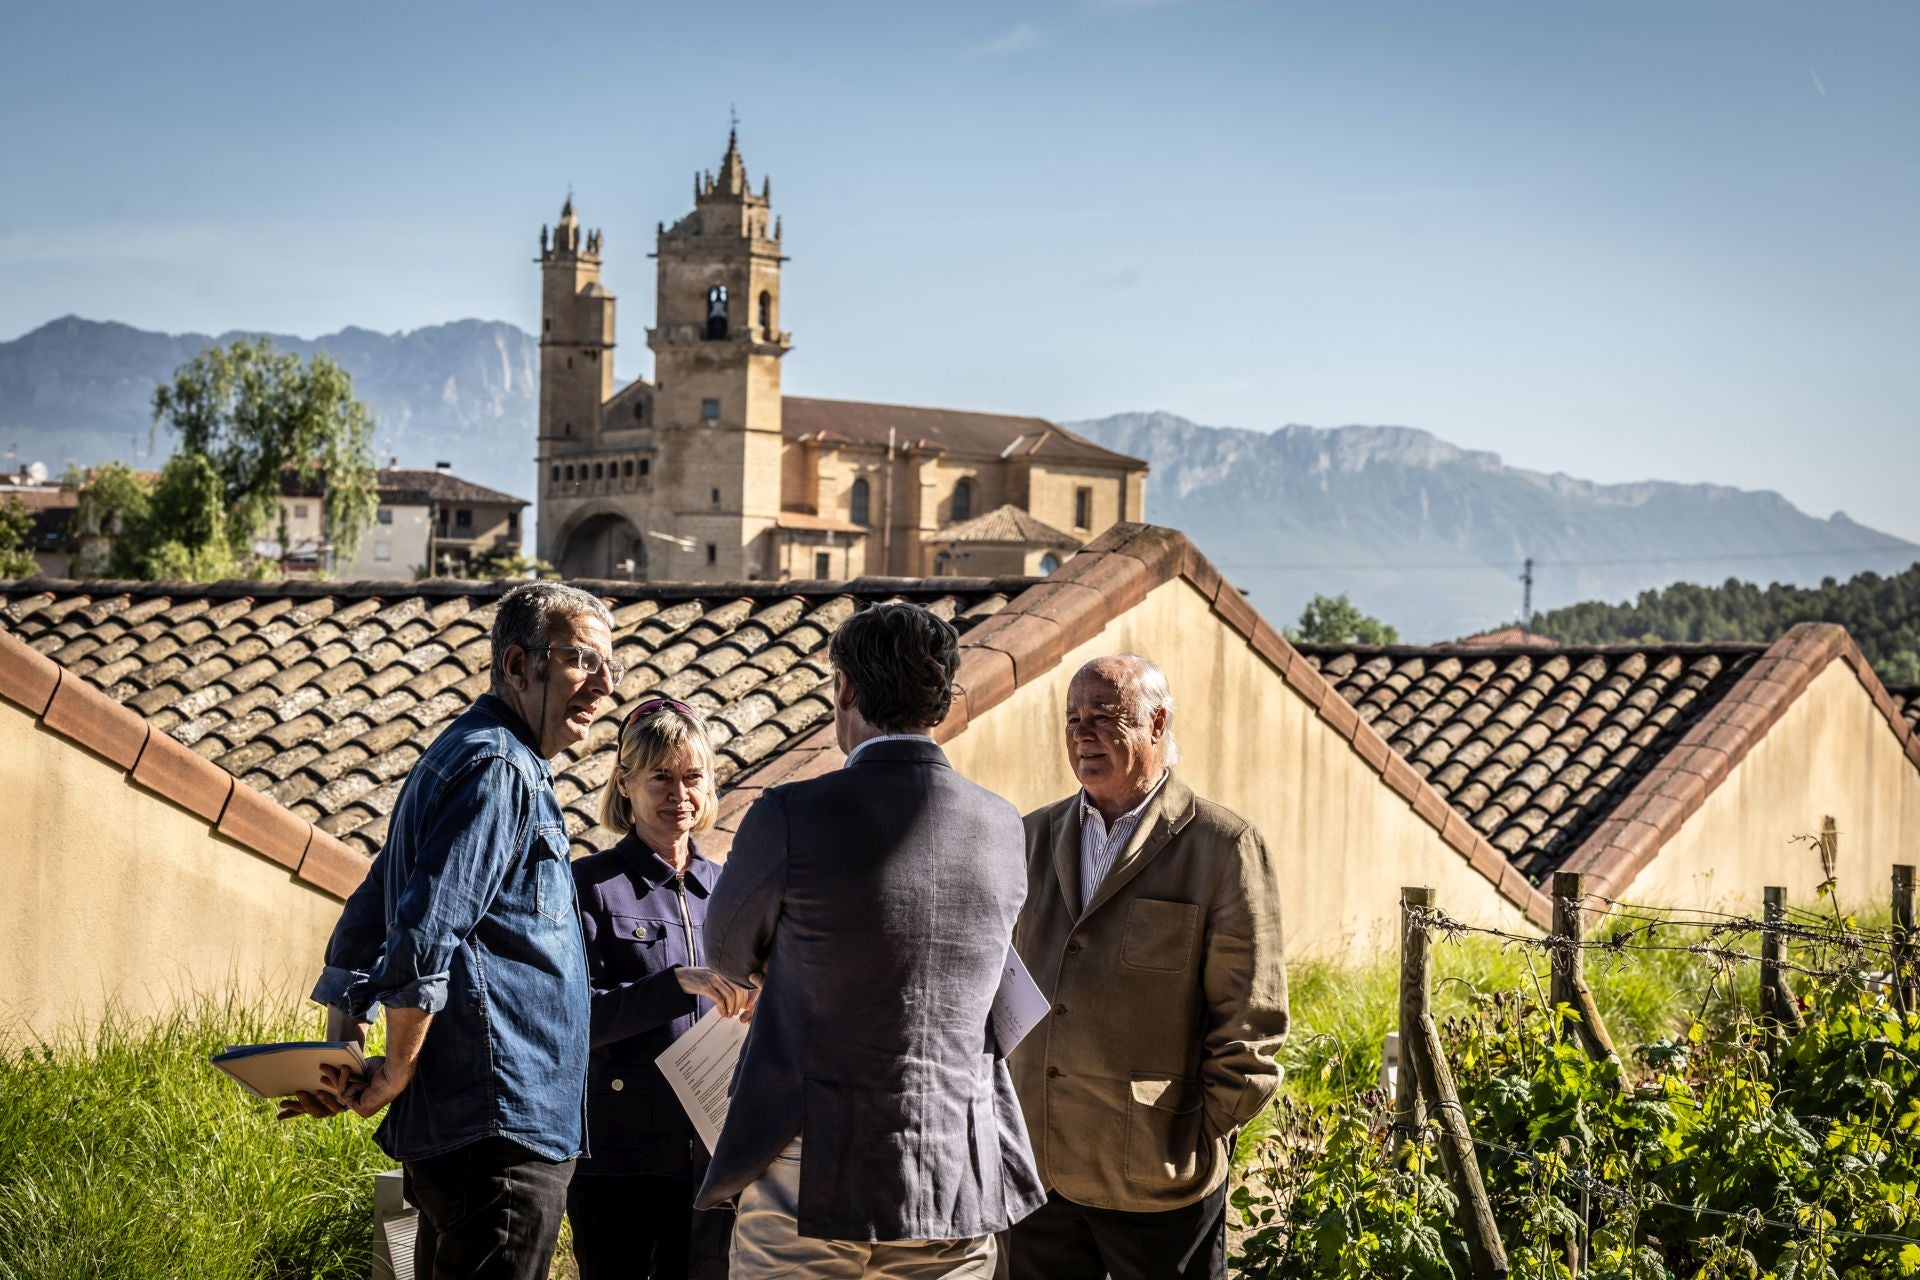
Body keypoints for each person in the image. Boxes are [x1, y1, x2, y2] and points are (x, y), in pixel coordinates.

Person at [695, 601, 1046, 1279]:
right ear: (941, 700)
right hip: (955, 1161)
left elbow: (727, 955)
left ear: (846, 691)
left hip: (816, 1154)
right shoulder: (1003, 826)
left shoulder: (790, 812)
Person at [286, 581, 617, 1280]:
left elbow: (369, 911)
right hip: (497, 1127)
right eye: (583, 662)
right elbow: (423, 932)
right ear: (518, 666)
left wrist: (342, 1044)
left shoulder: (461, 754)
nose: (604, 687)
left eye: (609, 668)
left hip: (468, 1129)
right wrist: (396, 1066)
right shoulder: (501, 768)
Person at [1002, 655, 1289, 1280]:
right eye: (1073, 718)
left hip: (1158, 1177)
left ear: (1157, 725)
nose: (1083, 733)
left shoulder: (1221, 846)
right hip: (1036, 1171)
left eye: (1105, 716)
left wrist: (1189, 1135)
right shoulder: (1028, 837)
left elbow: (1253, 1025)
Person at [568, 696, 754, 1280]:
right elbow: (574, 1020)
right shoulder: (590, 886)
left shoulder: (729, 888)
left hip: (718, 1153)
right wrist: (675, 984)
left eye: (692, 777)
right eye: (660, 778)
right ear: (624, 784)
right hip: (621, 1158)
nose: (680, 794)